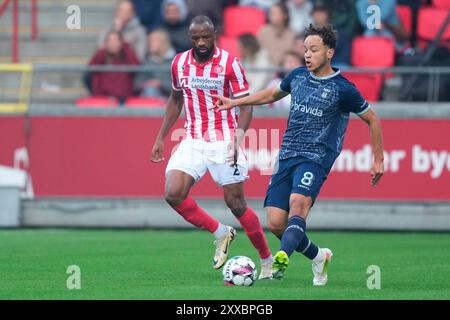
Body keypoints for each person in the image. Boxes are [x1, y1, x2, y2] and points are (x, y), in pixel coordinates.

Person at [211, 24, 385, 286]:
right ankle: (319, 256)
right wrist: (235, 102)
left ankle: (282, 257)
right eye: (305, 49)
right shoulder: (297, 76)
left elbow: (372, 119)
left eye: (313, 49)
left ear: (329, 52)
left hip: (316, 157)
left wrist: (378, 159)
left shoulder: (343, 89)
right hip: (287, 155)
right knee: (276, 223)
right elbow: (272, 93)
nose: (307, 54)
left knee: (298, 205)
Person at [150, 15, 274, 279]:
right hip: (193, 137)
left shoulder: (230, 63)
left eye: (207, 37)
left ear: (214, 34)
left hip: (224, 137)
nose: (202, 42)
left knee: (236, 204)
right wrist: (161, 136)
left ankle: (266, 260)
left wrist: (237, 140)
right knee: (172, 193)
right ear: (190, 38)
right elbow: (175, 99)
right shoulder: (179, 63)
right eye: (196, 38)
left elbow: (246, 105)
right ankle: (221, 232)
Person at [89, 31, 140, 103]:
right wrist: (101, 50)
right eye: (110, 41)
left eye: (116, 41)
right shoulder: (102, 57)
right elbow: (91, 67)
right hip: (104, 98)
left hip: (123, 99)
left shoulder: (126, 57)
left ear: (121, 42)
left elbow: (136, 66)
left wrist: (126, 46)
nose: (113, 44)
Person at [135, 29, 176, 98]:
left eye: (153, 41)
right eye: (149, 42)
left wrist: (160, 83)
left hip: (170, 97)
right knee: (150, 90)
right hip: (148, 94)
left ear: (163, 43)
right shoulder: (147, 62)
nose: (150, 44)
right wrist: (146, 83)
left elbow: (179, 86)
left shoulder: (175, 61)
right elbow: (137, 83)